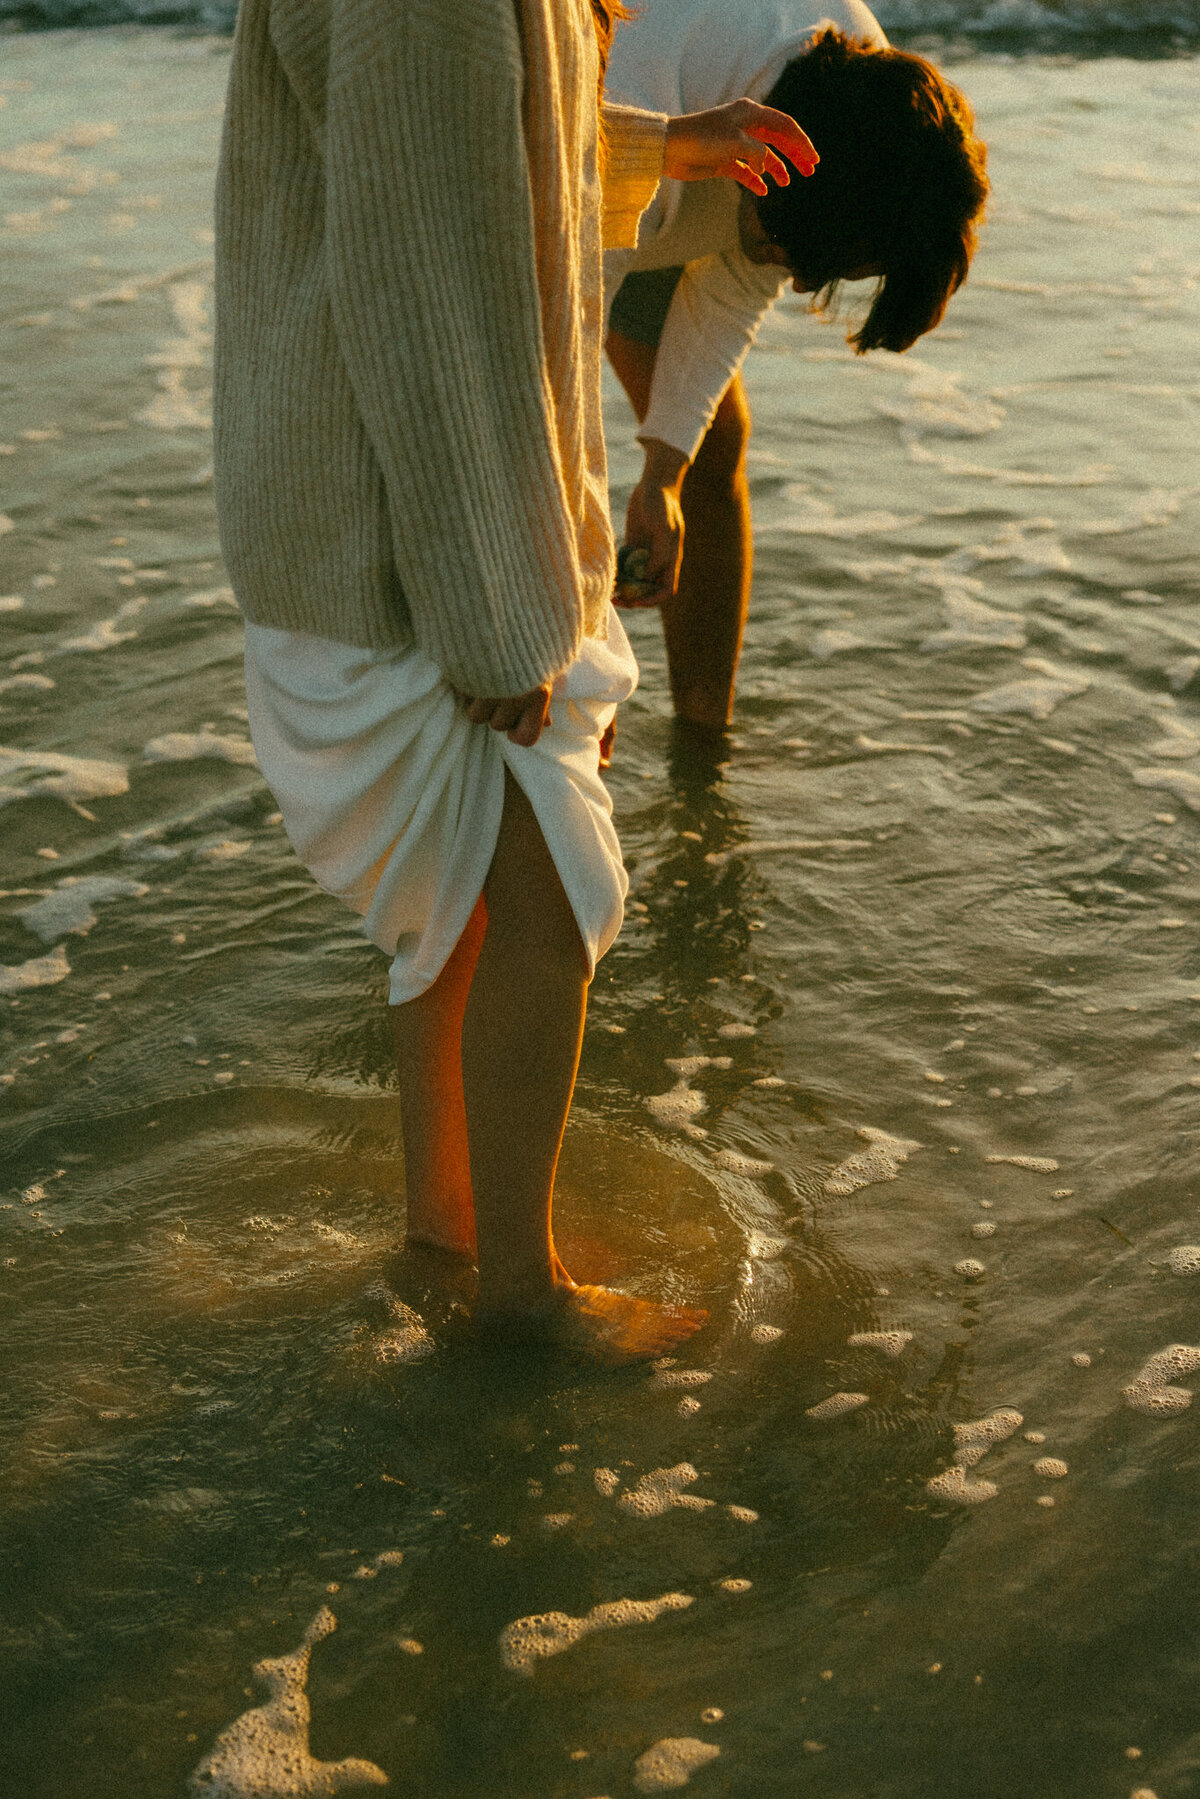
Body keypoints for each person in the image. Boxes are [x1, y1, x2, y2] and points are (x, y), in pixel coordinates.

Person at [212, 0, 815, 1359]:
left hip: (386, 510)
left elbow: (465, 145)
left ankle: (447, 1238)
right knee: (551, 905)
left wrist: (668, 144)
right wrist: (496, 609)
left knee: (466, 913)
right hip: (404, 529)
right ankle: (523, 1299)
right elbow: (420, 274)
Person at [604, 0, 990, 732]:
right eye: (804, 262)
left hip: (704, 145)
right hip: (580, 155)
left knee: (709, 449)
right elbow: (535, 374)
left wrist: (661, 476)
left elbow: (731, 291)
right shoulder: (630, 98)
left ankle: (703, 738)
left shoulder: (861, 120)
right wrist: (568, 635)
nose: (808, 286)